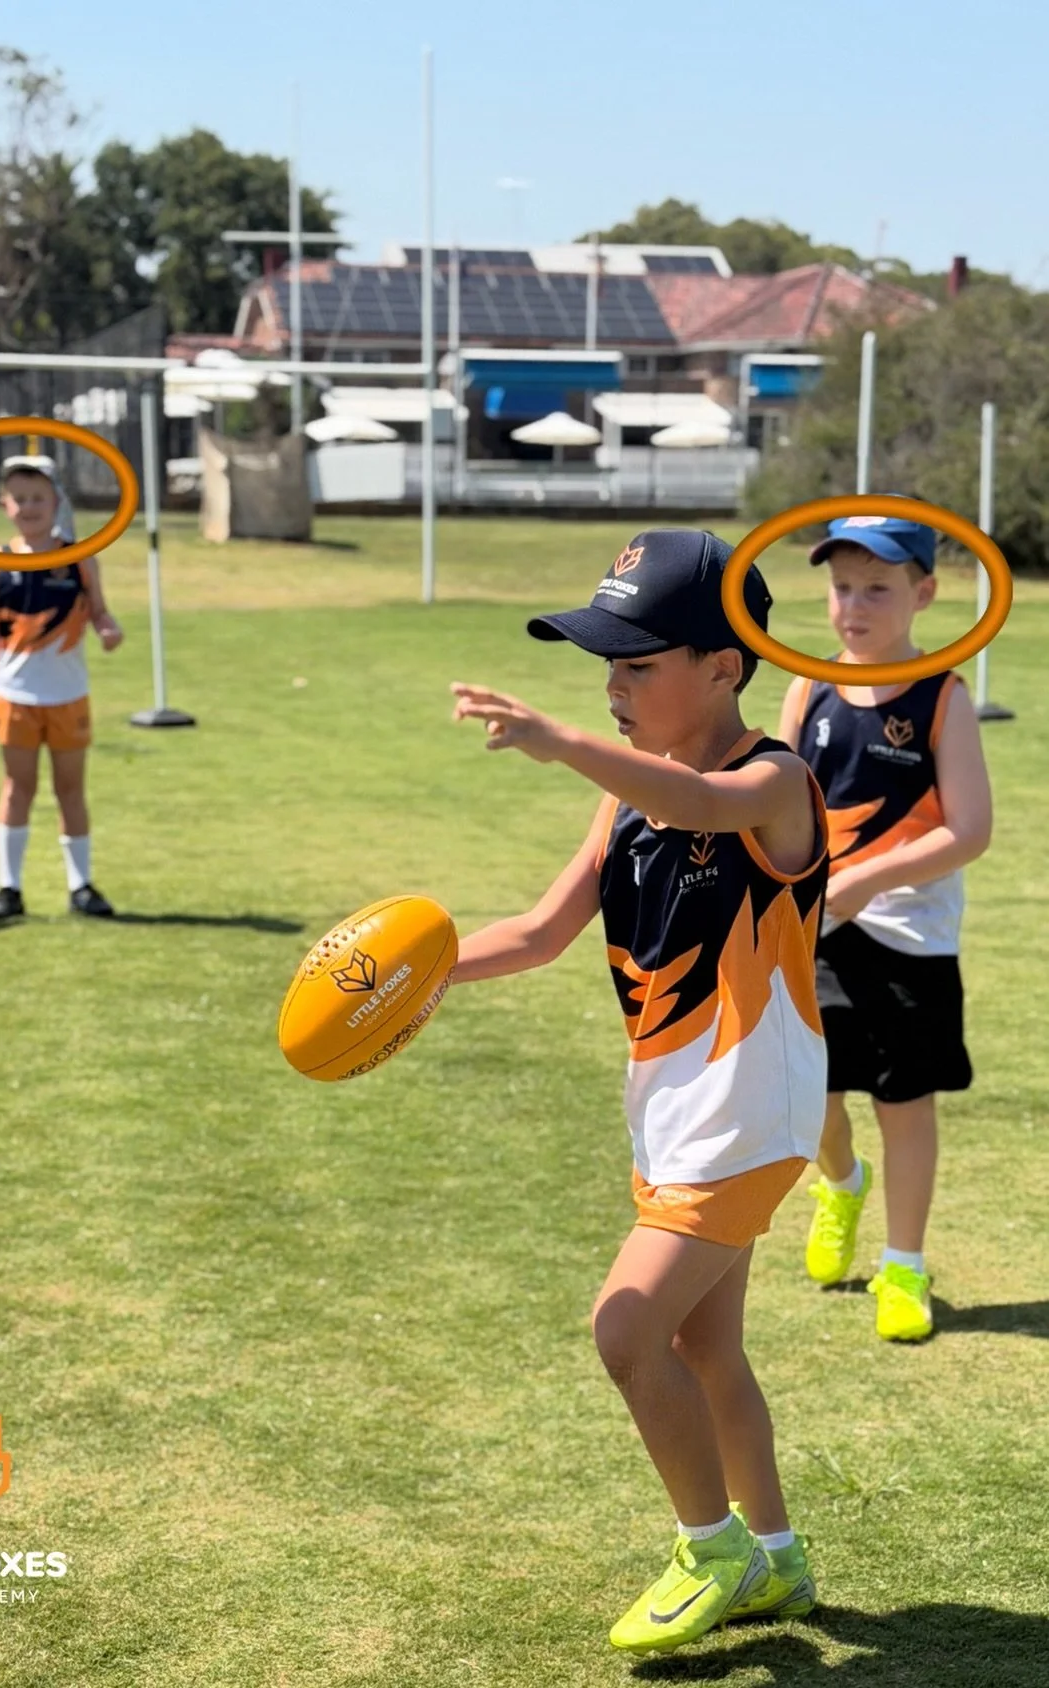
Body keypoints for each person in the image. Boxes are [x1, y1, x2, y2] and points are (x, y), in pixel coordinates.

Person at [450, 530, 827, 1655]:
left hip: (747, 1120)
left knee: (625, 1327)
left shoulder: (775, 782)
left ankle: (711, 1547)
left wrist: (562, 744)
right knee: (708, 1350)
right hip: (677, 1118)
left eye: (637, 666)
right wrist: (409, 978)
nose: (612, 691)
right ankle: (779, 1557)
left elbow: (698, 802)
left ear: (725, 665)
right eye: (604, 669)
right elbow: (536, 930)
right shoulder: (623, 802)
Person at [777, 510, 993, 1342]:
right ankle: (839, 1185)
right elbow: (783, 797)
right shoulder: (810, 684)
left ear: (924, 594)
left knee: (905, 1100)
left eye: (876, 588)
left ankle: (904, 1266)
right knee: (813, 1099)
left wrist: (868, 878)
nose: (853, 607)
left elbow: (968, 830)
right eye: (840, 587)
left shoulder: (946, 697)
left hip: (911, 939)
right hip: (814, 929)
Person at [0, 457, 123, 924]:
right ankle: (9, 887)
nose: (29, 506)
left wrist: (110, 631)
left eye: (38, 497)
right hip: (16, 696)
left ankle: (81, 885)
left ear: (56, 502)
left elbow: (101, 613)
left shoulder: (79, 559)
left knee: (71, 789)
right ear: (4, 505)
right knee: (17, 788)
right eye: (20, 498)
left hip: (68, 695)